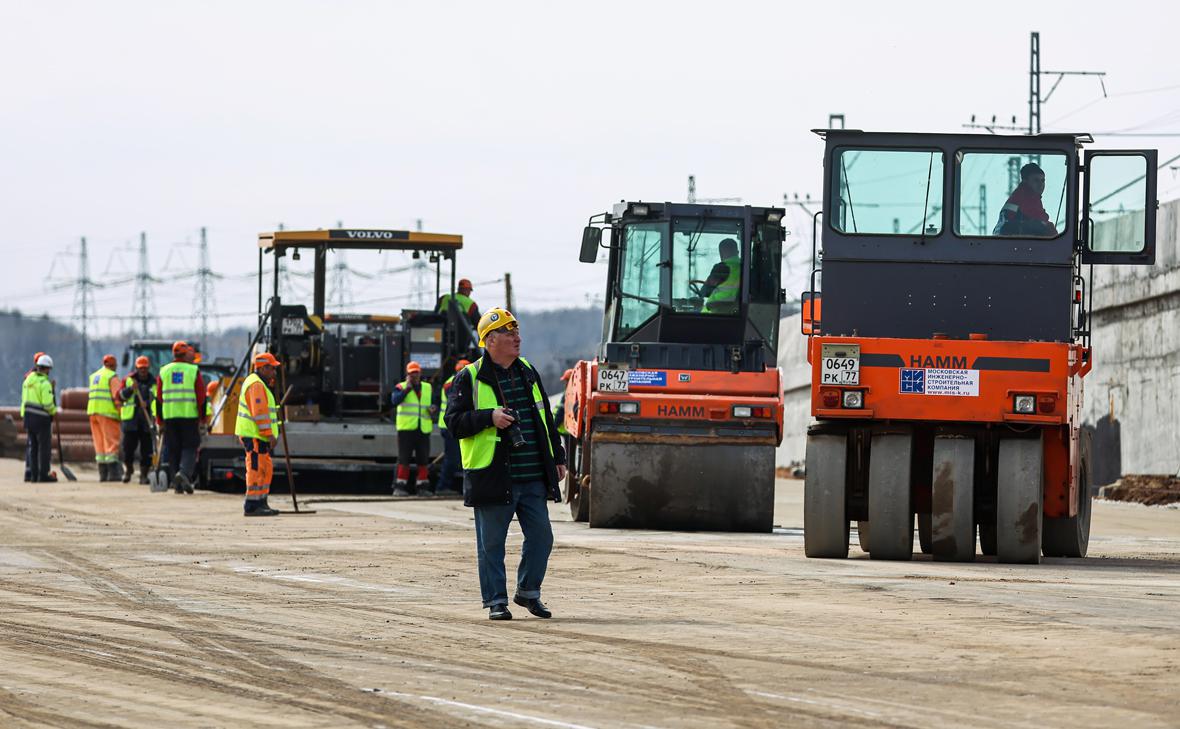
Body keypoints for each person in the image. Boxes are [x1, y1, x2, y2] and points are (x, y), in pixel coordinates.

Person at [445, 307, 566, 621]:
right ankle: (496, 602)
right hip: (493, 474)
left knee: (542, 538)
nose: (517, 337)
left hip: (533, 475)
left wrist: (558, 456)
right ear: (489, 340)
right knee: (492, 545)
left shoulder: (527, 370)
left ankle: (528, 592)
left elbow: (545, 420)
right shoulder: (469, 376)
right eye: (509, 333)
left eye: (517, 331)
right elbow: (453, 422)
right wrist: (490, 418)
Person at [235, 353, 282, 517]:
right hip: (255, 435)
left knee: (265, 469)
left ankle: (261, 502)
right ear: (263, 368)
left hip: (259, 435)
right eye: (272, 368)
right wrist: (269, 435)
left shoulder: (260, 383)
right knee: (256, 469)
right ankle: (252, 505)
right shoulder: (256, 385)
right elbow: (260, 413)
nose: (274, 372)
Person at [157, 341, 206, 494]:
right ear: (186, 354)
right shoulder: (193, 370)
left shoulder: (164, 371)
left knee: (173, 449)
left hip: (169, 416)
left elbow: (158, 398)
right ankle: (183, 473)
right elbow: (201, 397)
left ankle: (177, 485)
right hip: (189, 416)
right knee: (190, 447)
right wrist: (202, 418)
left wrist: (160, 420)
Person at [391, 361, 434, 496]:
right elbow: (394, 401)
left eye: (416, 373)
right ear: (407, 375)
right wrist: (407, 389)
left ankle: (422, 487)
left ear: (420, 373)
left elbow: (435, 402)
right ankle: (399, 487)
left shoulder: (427, 387)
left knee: (423, 460)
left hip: (423, 429)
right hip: (406, 429)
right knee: (404, 459)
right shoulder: (401, 387)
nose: (414, 376)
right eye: (412, 374)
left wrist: (434, 408)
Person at [118, 356, 157, 485]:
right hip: (131, 421)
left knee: (147, 450)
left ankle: (144, 475)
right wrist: (130, 389)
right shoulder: (128, 380)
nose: (143, 371)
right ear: (136, 368)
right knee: (128, 448)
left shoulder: (154, 382)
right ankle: (128, 470)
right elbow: (120, 396)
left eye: (145, 368)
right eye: (141, 368)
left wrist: (148, 402)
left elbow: (158, 399)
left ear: (148, 368)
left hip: (147, 421)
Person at [994, 162, 1058, 237]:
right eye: (1036, 180)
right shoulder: (1022, 198)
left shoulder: (1026, 197)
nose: (1041, 184)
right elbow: (1040, 220)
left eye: (1043, 180)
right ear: (1025, 181)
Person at [20, 354, 58, 483]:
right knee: (44, 448)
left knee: (33, 448)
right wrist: (54, 411)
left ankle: (34, 476)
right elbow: (47, 404)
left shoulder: (27, 382)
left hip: (29, 419)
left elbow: (24, 401)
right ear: (47, 369)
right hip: (42, 420)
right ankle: (43, 475)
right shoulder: (44, 383)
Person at [436, 358, 470, 496]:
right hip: (450, 426)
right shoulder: (453, 383)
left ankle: (445, 486)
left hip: (452, 424)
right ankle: (442, 487)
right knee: (452, 458)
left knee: (454, 457)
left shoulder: (454, 381)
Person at [87, 354, 124, 482]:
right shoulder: (112, 377)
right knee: (111, 443)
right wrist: (122, 414)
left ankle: (103, 474)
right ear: (114, 365)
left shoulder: (94, 376)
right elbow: (117, 398)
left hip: (93, 412)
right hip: (108, 413)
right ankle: (113, 474)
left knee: (99, 443)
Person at [700, 238, 741, 314]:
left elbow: (704, 292)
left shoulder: (721, 268)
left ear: (721, 254)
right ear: (737, 252)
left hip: (716, 312)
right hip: (735, 312)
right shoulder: (746, 268)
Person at [23, 352, 47, 481]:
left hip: (28, 415)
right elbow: (45, 400)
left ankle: (30, 473)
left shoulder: (28, 377)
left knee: (31, 446)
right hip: (39, 416)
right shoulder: (39, 379)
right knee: (38, 446)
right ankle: (38, 473)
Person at [553, 368, 574, 437]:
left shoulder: (568, 394)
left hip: (568, 430)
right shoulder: (577, 393)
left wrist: (554, 426)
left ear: (569, 381)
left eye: (566, 380)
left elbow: (561, 411)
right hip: (571, 430)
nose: (565, 383)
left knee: (569, 447)